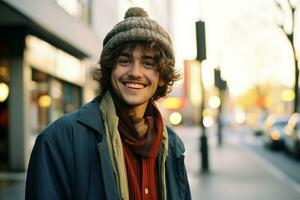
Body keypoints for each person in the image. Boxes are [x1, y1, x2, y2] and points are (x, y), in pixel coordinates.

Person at [26, 7, 191, 200]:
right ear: (109, 68)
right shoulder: (58, 139)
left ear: (161, 77)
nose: (135, 72)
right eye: (124, 61)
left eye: (148, 63)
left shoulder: (172, 145)